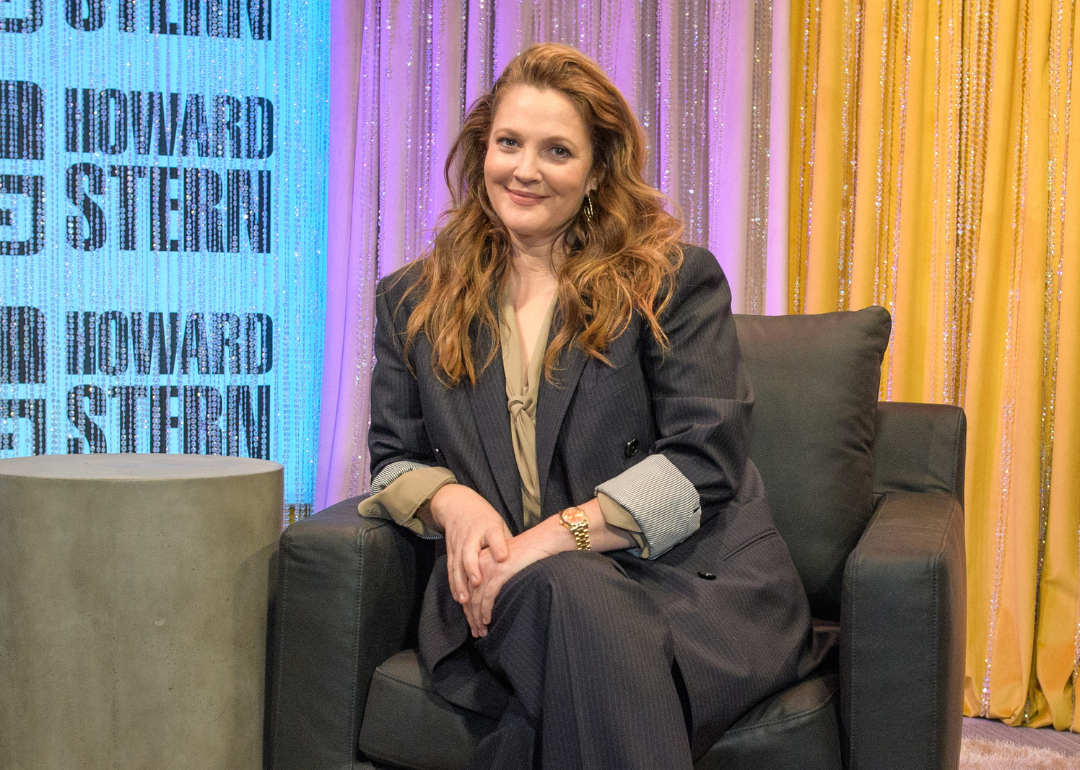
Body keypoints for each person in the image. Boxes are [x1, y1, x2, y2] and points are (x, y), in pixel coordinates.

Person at [359, 42, 817, 770]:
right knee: (566, 596)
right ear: (483, 151)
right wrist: (456, 506)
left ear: (597, 171)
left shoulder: (671, 280)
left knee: (569, 594)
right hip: (514, 589)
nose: (526, 169)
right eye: (508, 143)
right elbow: (393, 459)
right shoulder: (412, 300)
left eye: (557, 151)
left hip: (682, 580)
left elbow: (705, 460)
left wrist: (544, 542)